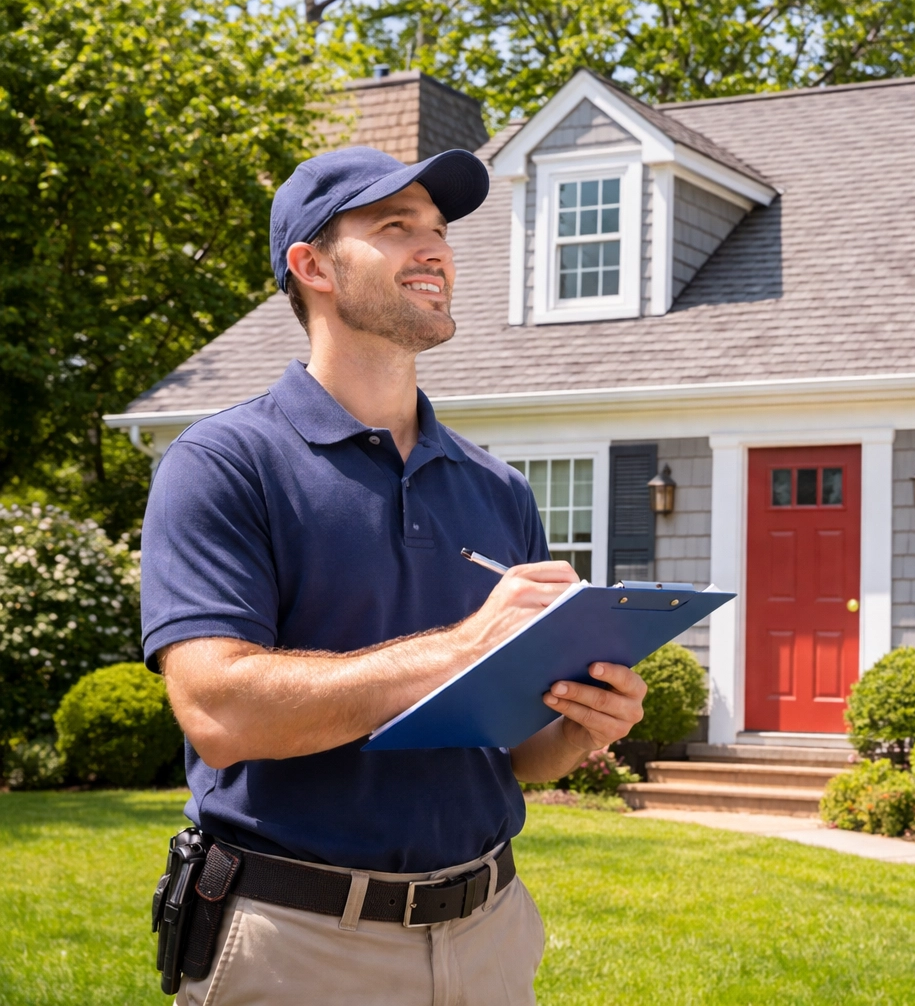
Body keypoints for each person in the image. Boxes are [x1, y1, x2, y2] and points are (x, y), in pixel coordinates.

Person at [139, 145, 646, 1005]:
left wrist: (584, 724)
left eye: (441, 230)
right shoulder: (224, 463)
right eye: (394, 226)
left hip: (490, 933)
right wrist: (460, 646)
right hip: (297, 947)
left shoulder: (497, 488)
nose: (436, 249)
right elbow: (216, 709)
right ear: (312, 266)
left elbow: (520, 755)